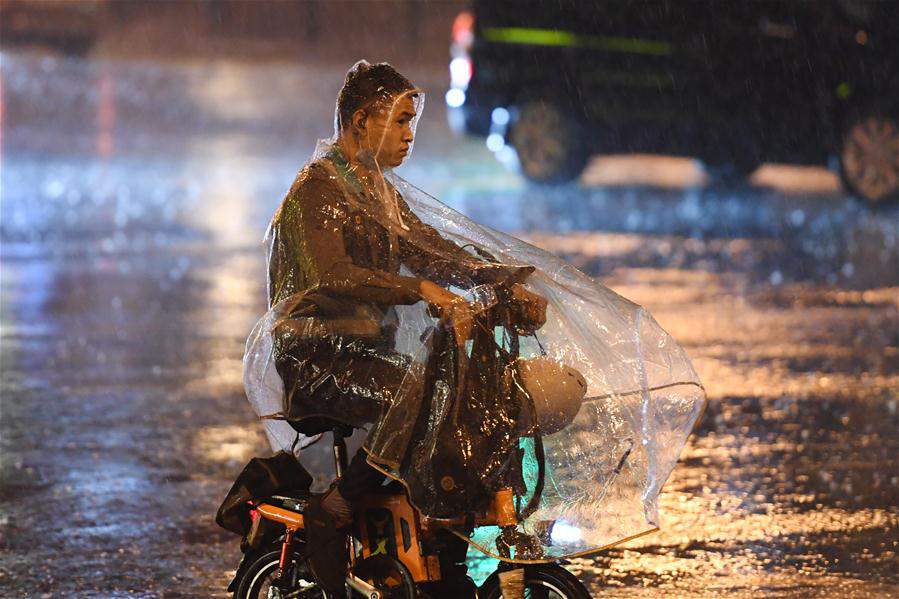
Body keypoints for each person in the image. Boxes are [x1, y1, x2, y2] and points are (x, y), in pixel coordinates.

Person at [265, 60, 545, 597]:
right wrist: (416, 291)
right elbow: (332, 276)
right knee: (425, 398)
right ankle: (337, 504)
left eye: (411, 123)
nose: (408, 136)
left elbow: (429, 250)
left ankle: (444, 550)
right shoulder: (316, 192)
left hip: (367, 353)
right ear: (360, 120)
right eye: (398, 121)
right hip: (318, 361)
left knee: (463, 400)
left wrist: (502, 282)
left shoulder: (377, 191)